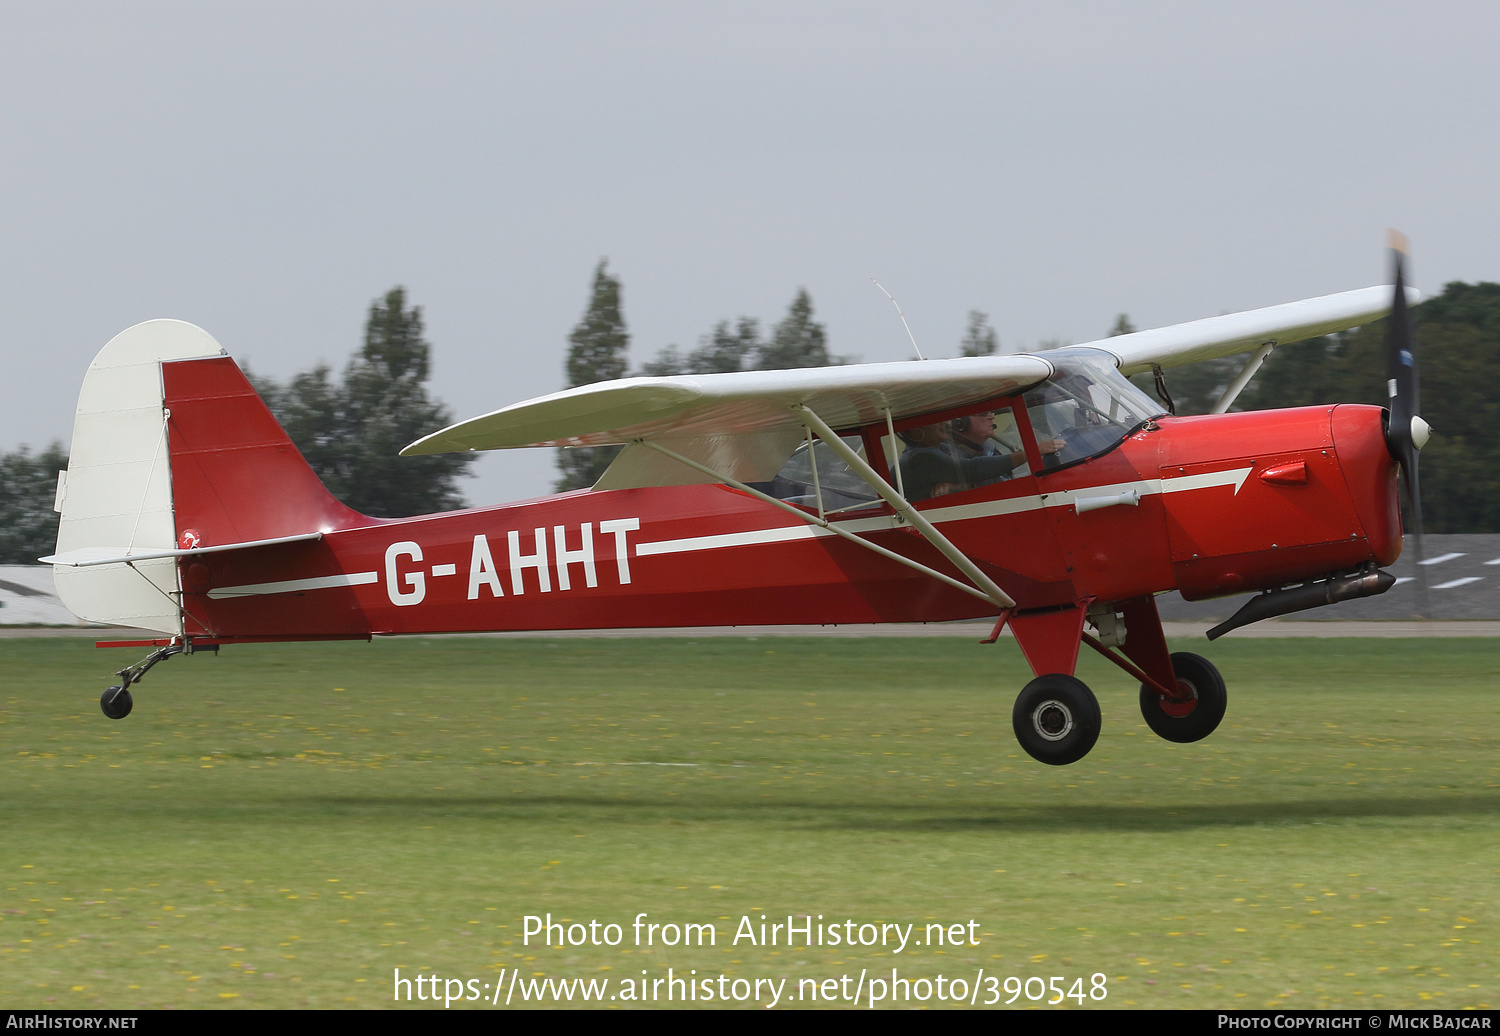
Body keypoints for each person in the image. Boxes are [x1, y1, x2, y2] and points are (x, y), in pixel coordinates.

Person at [899, 411, 1064, 501]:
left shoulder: (985, 448)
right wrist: (1032, 452)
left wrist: (956, 485)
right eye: (983, 412)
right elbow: (972, 469)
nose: (991, 416)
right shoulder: (919, 457)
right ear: (960, 422)